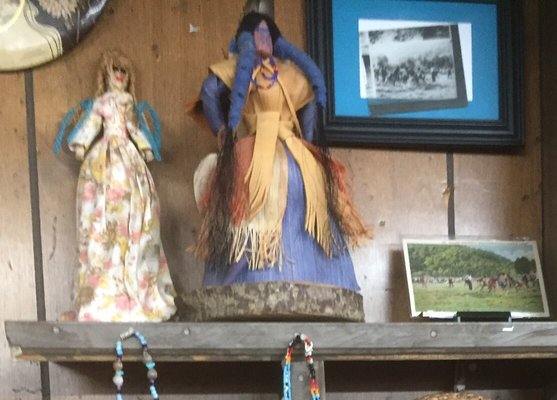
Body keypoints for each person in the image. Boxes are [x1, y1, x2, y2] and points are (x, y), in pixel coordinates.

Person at [192, 12, 370, 290]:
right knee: (244, 201)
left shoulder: (287, 72)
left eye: (267, 34)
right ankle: (248, 268)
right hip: (260, 149)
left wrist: (307, 141)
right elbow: (209, 91)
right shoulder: (240, 67)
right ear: (246, 39)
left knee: (309, 202)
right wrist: (221, 129)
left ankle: (309, 275)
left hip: (291, 151)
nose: (263, 39)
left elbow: (309, 101)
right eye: (258, 34)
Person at [57, 50, 175, 322]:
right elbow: (91, 123)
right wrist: (82, 143)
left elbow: (134, 129)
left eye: (123, 71)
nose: (119, 75)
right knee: (102, 220)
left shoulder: (128, 102)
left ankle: (136, 282)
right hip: (105, 162)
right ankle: (104, 289)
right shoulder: (102, 103)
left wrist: (145, 147)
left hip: (128, 159)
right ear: (106, 74)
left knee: (136, 214)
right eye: (115, 70)